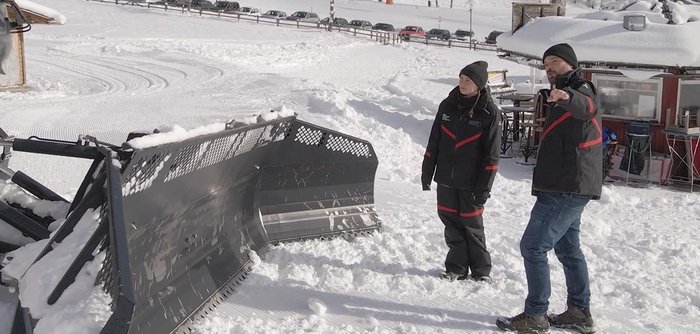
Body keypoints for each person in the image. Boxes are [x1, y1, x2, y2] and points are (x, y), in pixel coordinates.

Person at [496, 43, 601, 334]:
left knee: (532, 246)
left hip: (567, 186)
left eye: (555, 61)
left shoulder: (581, 88)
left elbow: (588, 106)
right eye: (546, 64)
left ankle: (536, 315)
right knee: (568, 250)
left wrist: (567, 96)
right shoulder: (564, 92)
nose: (549, 67)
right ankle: (579, 312)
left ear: (571, 64)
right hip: (568, 183)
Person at [421, 61, 501, 283]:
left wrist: (485, 187)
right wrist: (427, 173)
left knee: (472, 226)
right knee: (451, 222)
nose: (462, 83)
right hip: (446, 177)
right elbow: (434, 141)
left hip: (472, 181)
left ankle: (481, 271)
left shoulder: (489, 112)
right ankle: (456, 267)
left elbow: (492, 155)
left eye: (468, 80)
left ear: (479, 85)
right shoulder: (447, 105)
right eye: (461, 78)